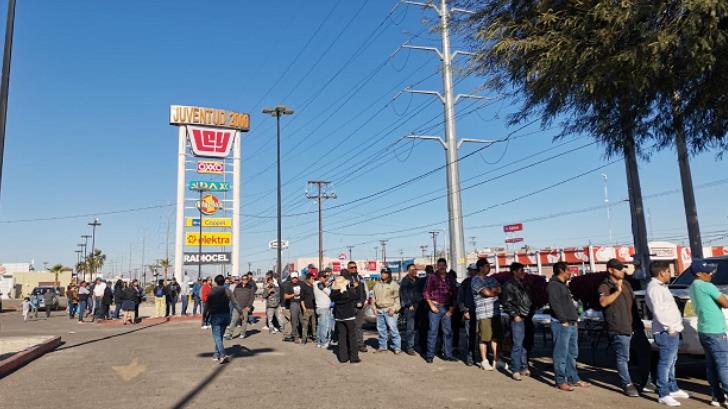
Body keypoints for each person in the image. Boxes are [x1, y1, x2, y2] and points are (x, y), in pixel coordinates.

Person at [646, 261, 689, 406]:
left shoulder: (660, 287)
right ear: (661, 273)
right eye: (668, 272)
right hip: (666, 331)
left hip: (672, 330)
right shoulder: (655, 289)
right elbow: (659, 311)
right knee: (665, 362)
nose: (670, 275)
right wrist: (670, 327)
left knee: (672, 362)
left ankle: (672, 388)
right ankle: (663, 393)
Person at [689, 259, 728, 407]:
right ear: (699, 273)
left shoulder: (693, 286)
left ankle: (716, 396)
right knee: (724, 365)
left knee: (712, 365)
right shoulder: (707, 286)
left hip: (704, 330)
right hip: (716, 331)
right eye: (708, 272)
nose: (711, 274)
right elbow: (725, 303)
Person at [598, 258, 639, 397]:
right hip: (618, 327)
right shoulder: (605, 286)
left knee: (641, 354)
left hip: (632, 325)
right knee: (623, 357)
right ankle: (627, 384)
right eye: (619, 268)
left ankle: (646, 381)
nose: (622, 271)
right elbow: (603, 303)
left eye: (623, 268)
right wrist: (617, 291)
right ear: (610, 270)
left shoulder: (627, 283)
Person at [547, 262, 589, 391]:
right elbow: (555, 304)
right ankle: (560, 380)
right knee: (561, 353)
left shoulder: (563, 285)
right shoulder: (553, 285)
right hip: (562, 324)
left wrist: (574, 319)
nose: (570, 272)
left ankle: (573, 378)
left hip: (571, 323)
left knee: (572, 353)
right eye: (568, 270)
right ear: (561, 270)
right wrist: (563, 320)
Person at [422, 258, 458, 364]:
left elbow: (455, 294)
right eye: (440, 265)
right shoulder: (432, 277)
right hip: (435, 307)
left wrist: (451, 309)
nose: (442, 267)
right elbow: (426, 292)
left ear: (446, 266)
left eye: (443, 265)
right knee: (433, 331)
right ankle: (430, 355)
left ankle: (448, 354)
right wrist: (431, 305)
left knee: (448, 332)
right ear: (437, 266)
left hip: (447, 308)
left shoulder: (450, 278)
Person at [501, 262, 533, 380]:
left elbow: (528, 300)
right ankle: (515, 369)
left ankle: (524, 367)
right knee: (517, 344)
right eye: (520, 270)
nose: (523, 273)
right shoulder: (509, 285)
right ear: (514, 271)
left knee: (525, 344)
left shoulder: (524, 284)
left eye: (523, 270)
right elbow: (506, 303)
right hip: (517, 318)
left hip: (526, 316)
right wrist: (515, 315)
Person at [471, 258, 502, 371]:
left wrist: (492, 291)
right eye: (487, 266)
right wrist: (492, 291)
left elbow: (499, 289)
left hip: (495, 312)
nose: (489, 268)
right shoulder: (475, 280)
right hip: (483, 314)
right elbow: (486, 293)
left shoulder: (492, 278)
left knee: (495, 337)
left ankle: (496, 360)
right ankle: (484, 361)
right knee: (484, 338)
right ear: (481, 267)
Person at [204, 275, 242, 364]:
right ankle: (216, 354)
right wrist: (240, 312)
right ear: (224, 282)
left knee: (217, 337)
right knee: (220, 336)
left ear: (216, 282)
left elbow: (207, 305)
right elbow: (235, 302)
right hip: (225, 316)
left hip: (216, 316)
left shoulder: (212, 291)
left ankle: (222, 355)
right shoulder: (228, 291)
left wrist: (204, 316)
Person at [330, 275, 361, 364]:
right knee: (352, 337)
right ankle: (354, 357)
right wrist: (357, 287)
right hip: (349, 317)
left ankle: (343, 357)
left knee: (342, 337)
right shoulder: (348, 293)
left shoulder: (334, 294)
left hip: (339, 317)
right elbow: (357, 296)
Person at [372, 268, 402, 354]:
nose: (383, 274)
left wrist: (394, 309)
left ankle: (397, 347)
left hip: (390, 310)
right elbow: (373, 297)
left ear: (389, 274)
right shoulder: (377, 285)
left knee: (393, 329)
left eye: (385, 273)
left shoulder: (394, 285)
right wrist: (374, 307)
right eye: (382, 273)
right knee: (381, 329)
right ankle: (382, 346)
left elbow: (398, 299)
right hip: (379, 310)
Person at [342, 261, 369, 353]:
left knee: (359, 327)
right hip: (350, 307)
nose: (353, 269)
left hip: (361, 307)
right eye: (351, 267)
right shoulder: (345, 278)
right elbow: (342, 290)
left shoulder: (360, 278)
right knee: (350, 327)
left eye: (355, 267)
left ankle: (360, 345)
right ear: (348, 268)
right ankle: (350, 346)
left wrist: (365, 301)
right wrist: (351, 285)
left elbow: (364, 291)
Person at [400, 263, 424, 356]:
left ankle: (419, 345)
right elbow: (403, 294)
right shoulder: (405, 281)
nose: (414, 271)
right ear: (408, 271)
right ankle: (410, 347)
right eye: (412, 270)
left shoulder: (419, 280)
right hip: (410, 308)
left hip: (419, 306)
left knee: (420, 327)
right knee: (410, 328)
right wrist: (409, 304)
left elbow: (422, 293)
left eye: (415, 270)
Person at [458, 263, 479, 365]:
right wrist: (465, 311)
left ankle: (484, 357)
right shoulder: (466, 283)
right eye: (470, 270)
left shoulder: (482, 281)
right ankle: (470, 357)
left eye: (474, 270)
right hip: (469, 312)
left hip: (482, 313)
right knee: (469, 336)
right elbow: (460, 298)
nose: (472, 272)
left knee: (483, 336)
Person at [224, 275, 253, 340]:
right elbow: (233, 296)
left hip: (245, 307)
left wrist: (249, 306)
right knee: (233, 320)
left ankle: (243, 334)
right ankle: (229, 334)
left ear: (248, 280)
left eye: (246, 279)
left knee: (244, 321)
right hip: (237, 307)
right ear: (241, 280)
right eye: (243, 279)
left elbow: (252, 298)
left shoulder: (250, 287)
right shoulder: (237, 287)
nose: (244, 280)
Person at [281, 272, 304, 343]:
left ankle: (304, 336)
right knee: (295, 321)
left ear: (297, 277)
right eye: (293, 278)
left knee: (303, 321)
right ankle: (296, 337)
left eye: (295, 277)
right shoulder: (289, 285)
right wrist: (293, 294)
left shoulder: (302, 284)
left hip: (302, 303)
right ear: (291, 278)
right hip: (293, 303)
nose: (294, 279)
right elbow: (285, 296)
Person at [314, 271, 333, 348]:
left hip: (320, 308)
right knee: (325, 327)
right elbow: (329, 293)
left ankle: (319, 342)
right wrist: (327, 286)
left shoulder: (316, 284)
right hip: (324, 308)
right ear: (320, 277)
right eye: (325, 277)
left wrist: (327, 284)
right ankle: (324, 342)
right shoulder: (319, 284)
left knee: (320, 326)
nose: (326, 278)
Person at [300, 271, 318, 344]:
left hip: (314, 309)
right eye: (312, 279)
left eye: (314, 279)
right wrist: (304, 309)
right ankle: (304, 339)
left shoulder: (314, 287)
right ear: (308, 279)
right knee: (305, 325)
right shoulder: (303, 287)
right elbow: (301, 300)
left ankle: (315, 338)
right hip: (307, 309)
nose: (313, 280)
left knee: (314, 324)